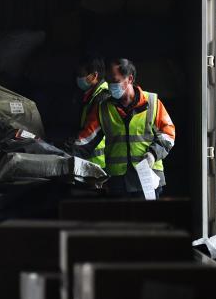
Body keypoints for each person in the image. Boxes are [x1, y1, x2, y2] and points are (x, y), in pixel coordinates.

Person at [73, 58, 175, 197]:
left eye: (115, 81)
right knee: (120, 219)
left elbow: (168, 134)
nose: (110, 86)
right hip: (118, 182)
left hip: (148, 180)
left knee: (148, 218)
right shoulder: (103, 109)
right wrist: (63, 154)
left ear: (130, 79)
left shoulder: (152, 103)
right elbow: (85, 140)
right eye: (108, 82)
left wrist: (153, 154)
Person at [74, 56, 109, 168]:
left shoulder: (103, 97)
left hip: (99, 163)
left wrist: (67, 150)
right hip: (89, 159)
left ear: (94, 75)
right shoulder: (91, 96)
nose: (78, 78)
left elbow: (90, 132)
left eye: (81, 74)